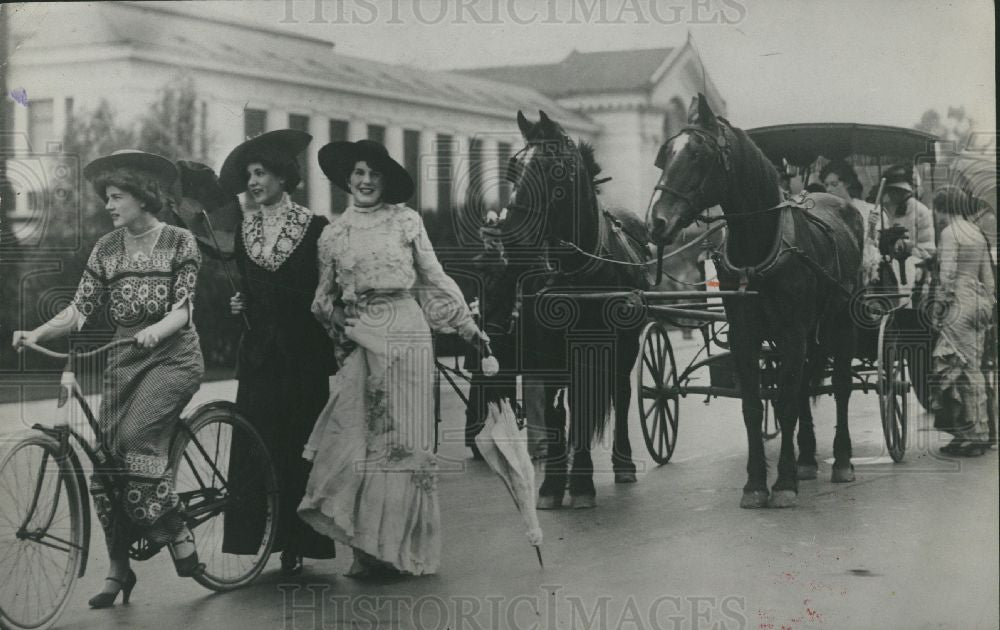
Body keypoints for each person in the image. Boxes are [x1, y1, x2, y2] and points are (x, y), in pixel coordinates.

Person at [12, 150, 205, 608]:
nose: (108, 205)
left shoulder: (180, 241)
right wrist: (37, 331)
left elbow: (183, 309)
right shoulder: (107, 248)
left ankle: (176, 527)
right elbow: (79, 309)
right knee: (105, 464)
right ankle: (119, 568)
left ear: (142, 196)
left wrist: (157, 330)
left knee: (134, 441)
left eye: (116, 196)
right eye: (107, 197)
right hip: (124, 361)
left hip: (172, 358)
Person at [298, 139, 492, 576]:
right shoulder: (333, 235)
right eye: (359, 173)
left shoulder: (406, 221)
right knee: (358, 438)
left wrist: (467, 327)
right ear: (347, 178)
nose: (366, 181)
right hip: (362, 339)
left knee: (404, 442)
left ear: (385, 181)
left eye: (375, 174)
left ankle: (403, 550)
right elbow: (322, 301)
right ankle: (368, 550)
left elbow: (433, 278)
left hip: (406, 334)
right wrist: (341, 330)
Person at [219, 130, 337, 575]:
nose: (253, 182)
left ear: (283, 177)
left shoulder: (316, 227)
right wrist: (240, 304)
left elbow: (326, 292)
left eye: (261, 173)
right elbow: (251, 292)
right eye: (249, 175)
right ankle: (261, 538)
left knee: (299, 448)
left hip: (303, 357)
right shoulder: (244, 231)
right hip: (259, 358)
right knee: (258, 446)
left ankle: (299, 542)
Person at [930, 187, 996, 456]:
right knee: (973, 366)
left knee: (959, 369)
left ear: (941, 208)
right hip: (978, 301)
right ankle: (972, 431)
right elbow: (988, 276)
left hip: (958, 302)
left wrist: (939, 307)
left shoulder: (950, 233)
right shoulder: (975, 231)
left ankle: (974, 435)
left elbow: (947, 275)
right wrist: (988, 304)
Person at [880, 164, 936, 290]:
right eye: (890, 190)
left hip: (913, 266)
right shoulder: (885, 208)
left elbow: (928, 248)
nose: (892, 194)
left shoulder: (921, 212)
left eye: (896, 191)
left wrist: (909, 249)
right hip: (886, 266)